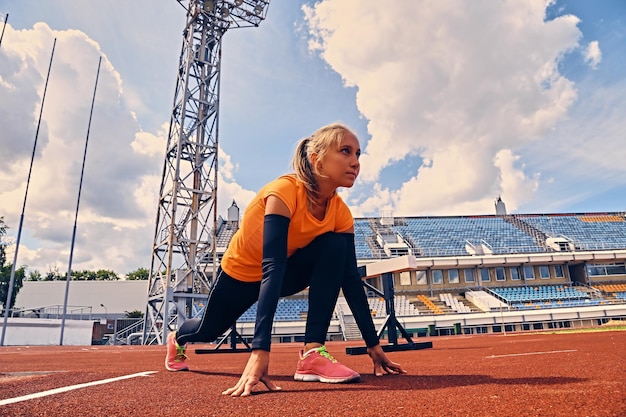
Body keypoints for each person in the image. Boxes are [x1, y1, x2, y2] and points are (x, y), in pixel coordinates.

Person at [164, 122, 407, 396]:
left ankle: (313, 353)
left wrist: (373, 347)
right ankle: (177, 337)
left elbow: (350, 278)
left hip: (286, 274)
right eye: (346, 151)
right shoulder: (284, 191)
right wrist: (259, 352)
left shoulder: (341, 214)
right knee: (208, 331)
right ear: (316, 159)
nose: (355, 162)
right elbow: (272, 265)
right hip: (241, 275)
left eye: (358, 154)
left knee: (335, 246)